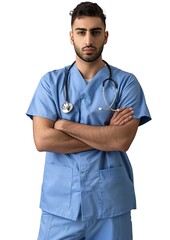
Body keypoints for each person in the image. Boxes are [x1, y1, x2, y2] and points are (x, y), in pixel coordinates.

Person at [26, 2, 151, 239]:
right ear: (71, 36)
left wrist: (64, 126)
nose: (88, 40)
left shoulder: (126, 83)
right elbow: (42, 140)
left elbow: (122, 140)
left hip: (111, 205)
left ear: (105, 35)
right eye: (81, 32)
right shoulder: (50, 83)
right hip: (60, 206)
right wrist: (105, 135)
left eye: (95, 32)